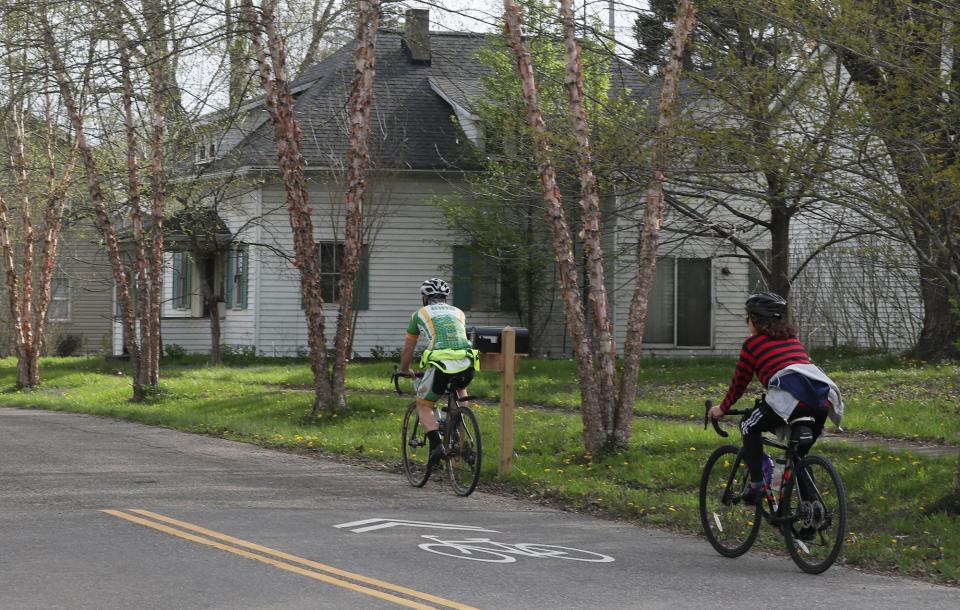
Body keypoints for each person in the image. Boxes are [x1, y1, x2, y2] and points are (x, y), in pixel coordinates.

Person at [709, 292, 844, 511]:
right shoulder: (792, 340)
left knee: (748, 425)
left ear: (755, 320)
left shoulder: (752, 345)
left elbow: (740, 383)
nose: (747, 323)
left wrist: (722, 408)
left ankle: (757, 485)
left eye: (748, 319)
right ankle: (810, 509)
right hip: (821, 401)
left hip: (790, 399)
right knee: (798, 456)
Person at [398, 278, 480, 469]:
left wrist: (405, 369)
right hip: (467, 362)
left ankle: (436, 445)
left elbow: (408, 349)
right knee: (461, 387)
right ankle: (458, 419)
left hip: (441, 363)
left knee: (423, 404)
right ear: (445, 297)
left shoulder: (419, 315)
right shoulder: (458, 312)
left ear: (425, 298)